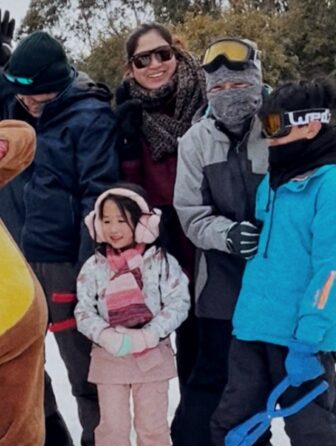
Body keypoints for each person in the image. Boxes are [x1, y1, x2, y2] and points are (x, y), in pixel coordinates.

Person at [0, 0, 120, 446]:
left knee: (81, 367)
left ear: (61, 83)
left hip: (63, 260)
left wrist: (93, 269)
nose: (29, 106)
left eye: (40, 97)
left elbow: (98, 194)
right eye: (23, 97)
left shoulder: (90, 119)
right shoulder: (16, 102)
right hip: (12, 261)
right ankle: (52, 442)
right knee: (18, 367)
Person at [204, 79, 336, 446]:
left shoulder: (334, 183)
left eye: (274, 124)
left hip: (300, 337)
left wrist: (311, 337)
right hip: (252, 328)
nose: (267, 135)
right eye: (263, 124)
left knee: (313, 433)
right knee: (235, 421)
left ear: (310, 126)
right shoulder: (276, 176)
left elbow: (333, 269)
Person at [171, 37, 268, 446]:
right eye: (219, 84)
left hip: (276, 278)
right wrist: (225, 234)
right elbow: (189, 211)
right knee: (210, 378)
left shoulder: (279, 127)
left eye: (238, 82)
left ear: (257, 81)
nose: (229, 92)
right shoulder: (194, 141)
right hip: (221, 281)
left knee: (303, 376)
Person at [75, 185, 189, 446]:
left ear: (142, 223)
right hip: (110, 357)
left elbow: (179, 302)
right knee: (111, 425)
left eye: (121, 220)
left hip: (151, 358)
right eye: (106, 220)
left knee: (152, 425)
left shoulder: (162, 263)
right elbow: (84, 310)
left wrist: (150, 335)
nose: (113, 229)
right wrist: (106, 334)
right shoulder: (94, 267)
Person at [114, 23, 203, 391]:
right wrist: (127, 145)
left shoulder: (207, 96)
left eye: (162, 54)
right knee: (187, 348)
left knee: (223, 351)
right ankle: (190, 441)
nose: (155, 65)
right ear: (130, 68)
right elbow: (129, 190)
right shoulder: (128, 113)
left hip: (212, 237)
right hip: (166, 244)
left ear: (176, 53)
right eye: (142, 59)